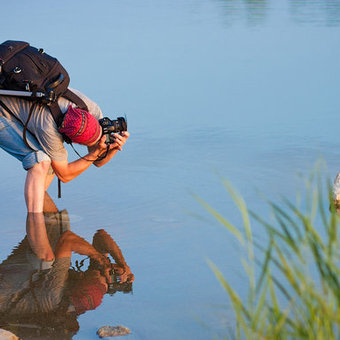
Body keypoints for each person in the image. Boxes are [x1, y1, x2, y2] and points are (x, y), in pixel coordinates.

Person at [0, 193, 134, 338]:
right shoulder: (97, 282)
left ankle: (36, 185)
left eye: (100, 274)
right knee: (58, 225)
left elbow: (68, 240)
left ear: (83, 282)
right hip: (24, 282)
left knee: (48, 255)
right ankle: (38, 187)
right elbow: (101, 236)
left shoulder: (56, 294)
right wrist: (122, 264)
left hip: (8, 292)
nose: (102, 271)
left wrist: (99, 258)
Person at [0, 88, 129, 213]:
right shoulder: (49, 129)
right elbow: (65, 175)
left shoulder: (91, 109)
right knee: (40, 161)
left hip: (24, 106)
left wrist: (113, 148)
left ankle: (47, 217)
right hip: (3, 111)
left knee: (51, 162)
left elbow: (98, 162)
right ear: (73, 141)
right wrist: (95, 152)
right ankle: (34, 223)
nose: (96, 145)